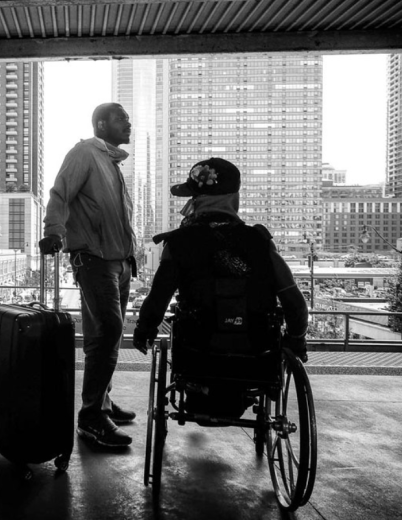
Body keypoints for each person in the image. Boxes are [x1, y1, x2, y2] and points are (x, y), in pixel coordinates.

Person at [133, 158, 309, 415]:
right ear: (234, 198)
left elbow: (158, 298)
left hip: (197, 354)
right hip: (256, 357)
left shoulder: (179, 243)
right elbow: (295, 304)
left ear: (196, 201)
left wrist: (144, 330)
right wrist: (296, 341)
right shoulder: (259, 243)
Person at [40, 102, 137, 448]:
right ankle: (91, 418)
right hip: (93, 260)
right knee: (106, 332)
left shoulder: (111, 163)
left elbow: (117, 218)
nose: (128, 123)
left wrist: (130, 256)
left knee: (109, 335)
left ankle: (103, 404)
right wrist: (54, 231)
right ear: (100, 124)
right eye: (121, 118)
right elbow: (59, 193)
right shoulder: (85, 152)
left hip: (119, 262)